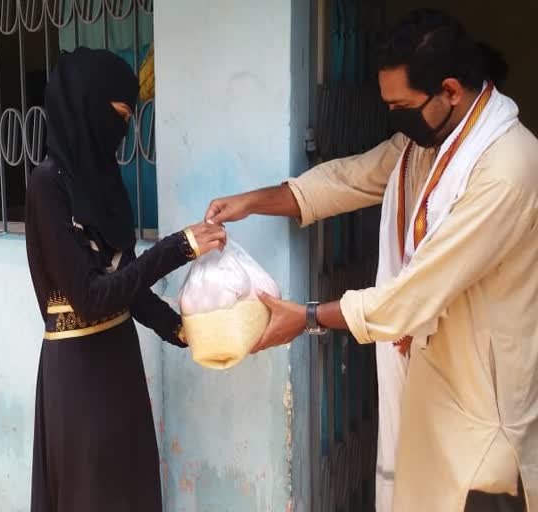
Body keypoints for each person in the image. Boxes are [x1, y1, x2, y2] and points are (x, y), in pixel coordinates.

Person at [206, 10, 536, 512]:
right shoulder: (426, 144)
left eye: (402, 106)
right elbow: (350, 178)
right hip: (431, 394)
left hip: (482, 414)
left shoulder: (505, 167)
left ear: (450, 89)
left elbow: (413, 294)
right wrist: (252, 201)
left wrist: (307, 317)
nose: (395, 118)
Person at [25, 47, 225, 512]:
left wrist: (182, 329)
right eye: (117, 114)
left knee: (130, 485)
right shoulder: (47, 185)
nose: (123, 129)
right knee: (91, 492)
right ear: (86, 105)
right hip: (77, 372)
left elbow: (127, 284)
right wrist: (179, 248)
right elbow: (91, 297)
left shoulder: (105, 182)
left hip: (120, 361)